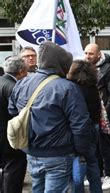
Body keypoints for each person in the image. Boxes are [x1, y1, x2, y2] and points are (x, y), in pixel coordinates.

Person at [8, 41, 95, 193]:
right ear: (61, 64)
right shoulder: (68, 88)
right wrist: (81, 152)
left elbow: (12, 110)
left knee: (38, 189)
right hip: (59, 154)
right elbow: (80, 125)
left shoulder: (22, 83)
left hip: (31, 153)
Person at [84, 43, 110, 190]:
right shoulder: (87, 68)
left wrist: (106, 114)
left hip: (104, 115)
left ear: (99, 54)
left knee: (105, 145)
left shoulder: (109, 69)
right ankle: (97, 174)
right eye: (85, 53)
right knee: (94, 146)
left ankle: (108, 175)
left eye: (90, 54)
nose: (87, 56)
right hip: (91, 114)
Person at [67, 59, 103, 193]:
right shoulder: (92, 87)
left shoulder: (71, 88)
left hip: (78, 129)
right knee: (92, 162)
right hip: (93, 127)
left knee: (77, 162)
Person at [0, 57, 28, 193]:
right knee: (13, 173)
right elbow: (19, 114)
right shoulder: (13, 87)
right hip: (9, 138)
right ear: (21, 71)